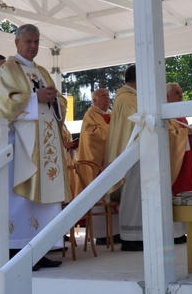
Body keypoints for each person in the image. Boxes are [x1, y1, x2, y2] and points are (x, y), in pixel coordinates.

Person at [0, 24, 68, 270]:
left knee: (41, 202)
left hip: (44, 146)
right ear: (17, 43)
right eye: (28, 41)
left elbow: (58, 100)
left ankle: (38, 249)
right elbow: (0, 105)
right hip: (18, 148)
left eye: (36, 42)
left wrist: (55, 98)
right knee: (18, 200)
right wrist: (34, 98)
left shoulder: (42, 70)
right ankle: (14, 251)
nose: (33, 46)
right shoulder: (7, 70)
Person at [103, 65, 142, 251]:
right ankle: (130, 237)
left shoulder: (129, 97)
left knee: (137, 193)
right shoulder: (127, 98)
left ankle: (138, 235)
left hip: (138, 151)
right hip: (133, 152)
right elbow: (136, 123)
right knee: (132, 193)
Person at [166, 83, 192, 196]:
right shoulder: (166, 116)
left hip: (188, 158)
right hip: (179, 162)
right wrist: (187, 132)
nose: (180, 95)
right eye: (176, 93)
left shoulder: (181, 116)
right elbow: (169, 137)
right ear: (167, 96)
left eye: (181, 93)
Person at [75, 88, 111, 194]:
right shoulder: (90, 114)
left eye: (108, 94)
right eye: (103, 95)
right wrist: (111, 128)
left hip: (110, 155)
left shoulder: (112, 114)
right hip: (95, 159)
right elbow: (92, 135)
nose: (107, 97)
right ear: (94, 101)